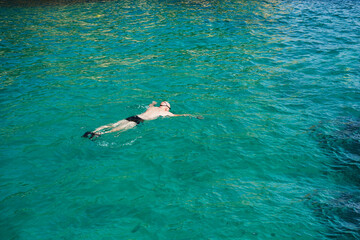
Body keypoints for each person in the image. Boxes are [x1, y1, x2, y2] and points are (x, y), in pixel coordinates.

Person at [82, 101, 202, 139]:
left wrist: (152, 102)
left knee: (113, 124)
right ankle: (100, 134)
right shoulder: (165, 112)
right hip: (138, 121)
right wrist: (193, 115)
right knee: (118, 130)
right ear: (167, 108)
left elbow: (150, 105)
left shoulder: (154, 107)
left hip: (133, 116)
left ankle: (95, 130)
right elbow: (179, 116)